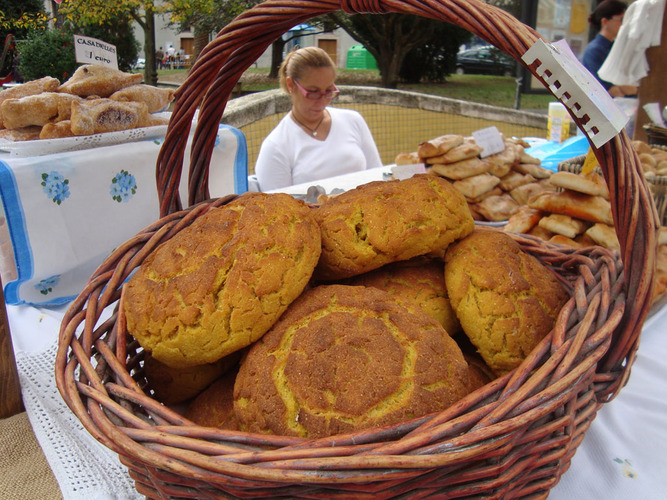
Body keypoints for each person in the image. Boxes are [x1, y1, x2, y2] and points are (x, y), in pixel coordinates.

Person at [254, 47, 383, 191]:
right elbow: (277, 207)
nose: (322, 101)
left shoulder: (353, 121)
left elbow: (377, 178)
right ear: (291, 85)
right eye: (313, 92)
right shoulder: (276, 146)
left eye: (328, 91)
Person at [581, 0, 637, 97]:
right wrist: (624, 87)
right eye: (621, 19)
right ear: (605, 21)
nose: (625, 25)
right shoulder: (594, 50)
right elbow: (610, 90)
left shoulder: (617, 47)